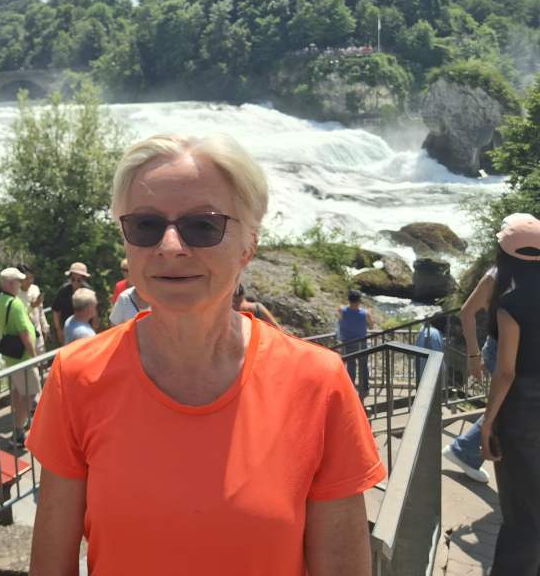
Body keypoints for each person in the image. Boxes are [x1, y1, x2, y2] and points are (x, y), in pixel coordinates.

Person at [28, 133, 384, 575]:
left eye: (202, 225)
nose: (170, 246)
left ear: (249, 244)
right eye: (145, 225)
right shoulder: (77, 378)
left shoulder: (318, 383)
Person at [479, 214, 540, 575]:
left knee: (522, 509)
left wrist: (487, 424)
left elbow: (505, 372)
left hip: (523, 406)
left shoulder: (512, 304)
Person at [442, 217, 527, 484]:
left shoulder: (530, 272)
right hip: (499, 350)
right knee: (506, 405)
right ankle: (465, 451)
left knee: (506, 405)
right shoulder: (496, 275)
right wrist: (473, 355)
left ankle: (466, 451)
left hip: (516, 351)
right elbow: (467, 312)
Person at [0, 267, 40, 448]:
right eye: (18, 281)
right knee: (30, 394)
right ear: (10, 283)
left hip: (12, 357)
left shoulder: (2, 299)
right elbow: (24, 333)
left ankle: (19, 419)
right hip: (23, 358)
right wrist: (34, 358)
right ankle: (18, 432)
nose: (21, 284)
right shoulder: (15, 304)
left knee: (17, 391)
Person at [338, 289, 374, 398]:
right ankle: (364, 389)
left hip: (347, 344)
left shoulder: (342, 311)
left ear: (349, 300)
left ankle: (350, 388)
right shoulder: (365, 314)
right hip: (361, 344)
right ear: (359, 301)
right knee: (363, 366)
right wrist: (369, 313)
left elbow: (340, 310)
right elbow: (371, 326)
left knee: (350, 366)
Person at [51, 262, 92, 345]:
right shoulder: (63, 291)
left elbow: (95, 315)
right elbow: (56, 311)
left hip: (85, 330)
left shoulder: (89, 292)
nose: (75, 282)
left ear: (83, 279)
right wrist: (58, 330)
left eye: (79, 280)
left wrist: (93, 331)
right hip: (68, 330)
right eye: (73, 279)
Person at [17, 263, 49, 355]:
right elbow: (19, 315)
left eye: (31, 278)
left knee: (43, 359)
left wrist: (45, 327)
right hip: (24, 336)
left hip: (38, 333)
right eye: (26, 279)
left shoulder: (35, 289)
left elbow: (40, 310)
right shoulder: (15, 294)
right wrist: (32, 306)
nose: (30, 281)